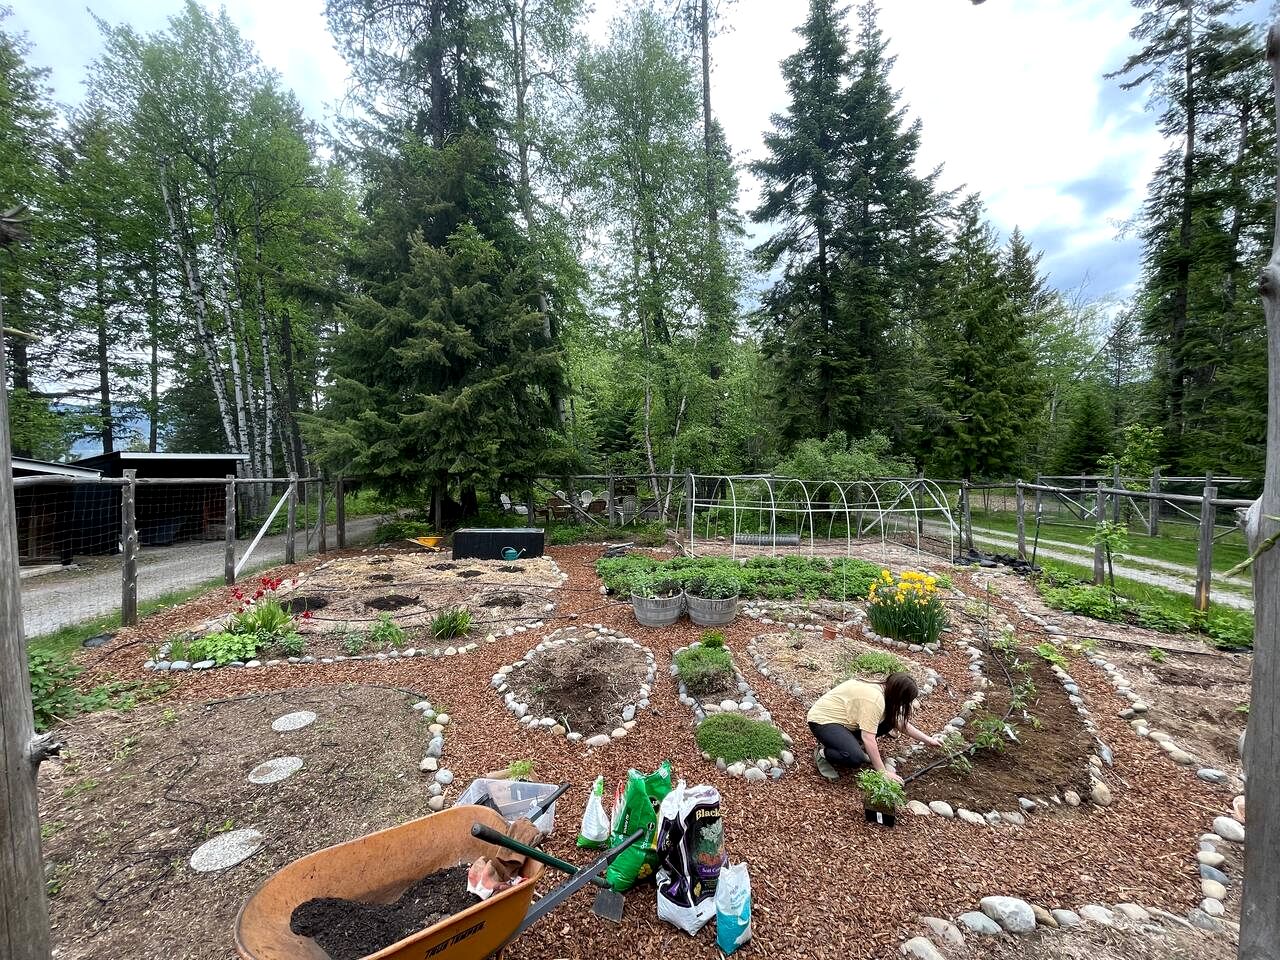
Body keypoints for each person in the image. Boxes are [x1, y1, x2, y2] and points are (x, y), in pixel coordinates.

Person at [807, 672, 942, 783]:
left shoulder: (885, 690)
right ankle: (823, 753)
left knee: (890, 721)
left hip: (845, 722)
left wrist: (928, 740)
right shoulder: (874, 700)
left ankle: (846, 743)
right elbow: (868, 738)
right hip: (823, 720)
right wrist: (882, 772)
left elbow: (900, 722)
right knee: (854, 758)